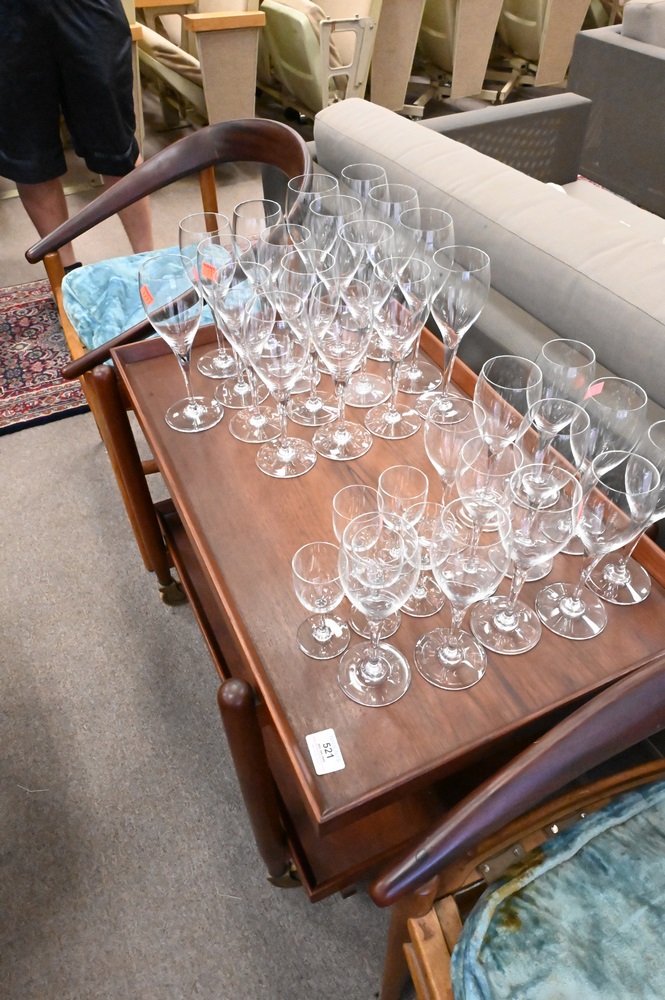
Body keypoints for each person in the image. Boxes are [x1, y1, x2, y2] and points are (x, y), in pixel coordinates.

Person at [0, 0, 153, 270]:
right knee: (30, 158)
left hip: (89, 8)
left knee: (118, 150)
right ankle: (66, 273)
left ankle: (150, 263)